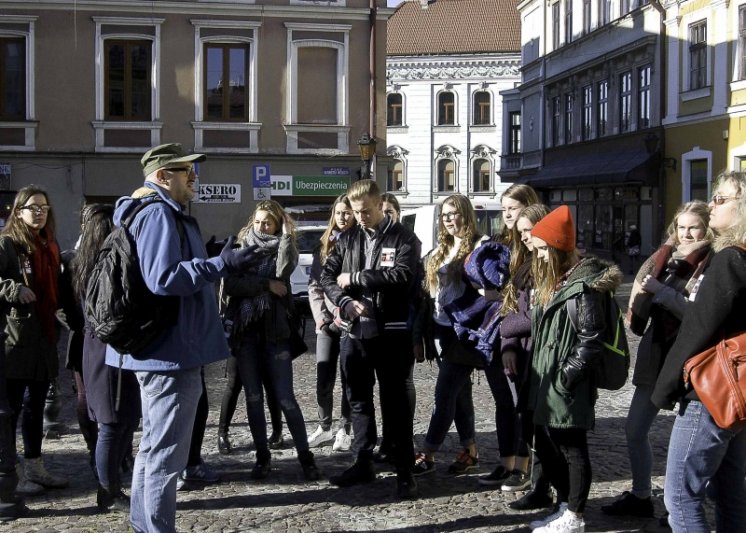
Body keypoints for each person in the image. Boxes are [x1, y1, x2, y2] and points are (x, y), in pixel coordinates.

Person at [106, 143, 258, 533]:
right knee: (165, 455)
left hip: (163, 350)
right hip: (170, 352)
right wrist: (220, 264)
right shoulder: (158, 213)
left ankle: (145, 526)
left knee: (155, 449)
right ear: (161, 176)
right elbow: (164, 278)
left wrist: (207, 255)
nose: (194, 176)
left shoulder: (155, 212)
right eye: (185, 170)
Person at [602, 201, 713, 520]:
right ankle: (641, 494)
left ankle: (687, 504)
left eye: (694, 227)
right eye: (681, 227)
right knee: (634, 428)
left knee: (691, 443)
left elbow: (702, 317)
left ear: (706, 228)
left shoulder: (713, 262)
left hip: (695, 357)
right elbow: (643, 295)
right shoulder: (667, 261)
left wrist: (662, 293)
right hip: (657, 355)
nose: (687, 233)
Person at [652, 171, 746, 532]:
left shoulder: (729, 260)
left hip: (712, 393)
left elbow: (698, 328)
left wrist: (664, 389)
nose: (711, 206)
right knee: (730, 491)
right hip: (737, 391)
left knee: (679, 496)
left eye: (720, 199)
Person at [321, 179, 421, 499]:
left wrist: (361, 277)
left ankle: (405, 471)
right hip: (355, 332)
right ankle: (362, 461)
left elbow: (403, 275)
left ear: (380, 205)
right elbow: (327, 277)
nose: (360, 217)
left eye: (365, 211)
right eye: (355, 211)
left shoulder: (403, 236)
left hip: (390, 332)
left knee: (395, 405)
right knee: (359, 401)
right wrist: (345, 302)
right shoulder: (347, 237)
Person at [527, 206, 623, 533]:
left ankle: (575, 516)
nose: (537, 256)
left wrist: (566, 378)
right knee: (547, 444)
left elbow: (591, 340)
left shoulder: (583, 287)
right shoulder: (557, 279)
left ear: (556, 248)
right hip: (547, 378)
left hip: (566, 383)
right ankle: (566, 506)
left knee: (572, 449)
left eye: (542, 249)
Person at [222, 200, 320, 481]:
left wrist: (289, 236)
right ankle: (262, 457)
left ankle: (306, 458)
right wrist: (265, 286)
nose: (262, 226)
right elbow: (231, 285)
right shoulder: (241, 250)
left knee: (286, 398)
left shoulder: (281, 248)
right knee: (253, 398)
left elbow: (284, 272)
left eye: (268, 222)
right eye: (258, 221)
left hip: (275, 334)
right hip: (246, 333)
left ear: (277, 225)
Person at [70, 204, 141, 512]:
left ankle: (111, 486)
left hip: (100, 345)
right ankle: (107, 491)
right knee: (112, 422)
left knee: (124, 418)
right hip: (107, 346)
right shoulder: (100, 264)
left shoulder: (85, 263)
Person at [411, 194, 488, 477]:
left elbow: (489, 290)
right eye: (445, 215)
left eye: (454, 213)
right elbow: (427, 298)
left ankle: (428, 453)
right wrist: (420, 334)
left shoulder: (480, 246)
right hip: (439, 329)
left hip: (463, 332)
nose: (449, 219)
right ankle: (470, 451)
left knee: (444, 394)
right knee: (460, 394)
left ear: (466, 214)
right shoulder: (440, 249)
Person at [0, 185, 69, 496]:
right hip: (15, 340)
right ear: (18, 211)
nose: (40, 212)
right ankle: (10, 472)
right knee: (11, 408)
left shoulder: (48, 245)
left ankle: (35, 466)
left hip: (44, 337)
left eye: (44, 207)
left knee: (36, 405)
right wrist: (13, 289)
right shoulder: (7, 243)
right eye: (33, 207)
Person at [478, 183, 539, 489]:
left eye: (512, 209)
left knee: (522, 405)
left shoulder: (535, 247)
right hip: (503, 334)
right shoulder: (502, 244)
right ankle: (507, 462)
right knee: (504, 401)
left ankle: (525, 466)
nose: (507, 215)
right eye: (503, 210)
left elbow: (524, 302)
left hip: (520, 333)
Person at [498, 204, 554, 510]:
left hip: (544, 356)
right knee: (530, 423)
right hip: (525, 354)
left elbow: (536, 315)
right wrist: (508, 343)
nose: (525, 238)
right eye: (521, 233)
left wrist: (506, 329)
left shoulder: (551, 264)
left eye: (529, 230)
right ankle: (539, 486)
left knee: (545, 428)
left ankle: (547, 489)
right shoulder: (528, 264)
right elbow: (518, 310)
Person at [307, 194, 356, 451]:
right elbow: (315, 285)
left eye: (347, 213)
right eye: (338, 213)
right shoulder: (325, 245)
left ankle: (344, 429)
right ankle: (324, 426)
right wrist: (321, 319)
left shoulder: (359, 242)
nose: (343, 218)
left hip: (350, 321)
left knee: (349, 377)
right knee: (323, 376)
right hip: (327, 321)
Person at [216, 356, 284, 454]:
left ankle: (277, 431)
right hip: (242, 345)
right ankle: (222, 434)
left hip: (255, 344)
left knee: (270, 385)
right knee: (233, 385)